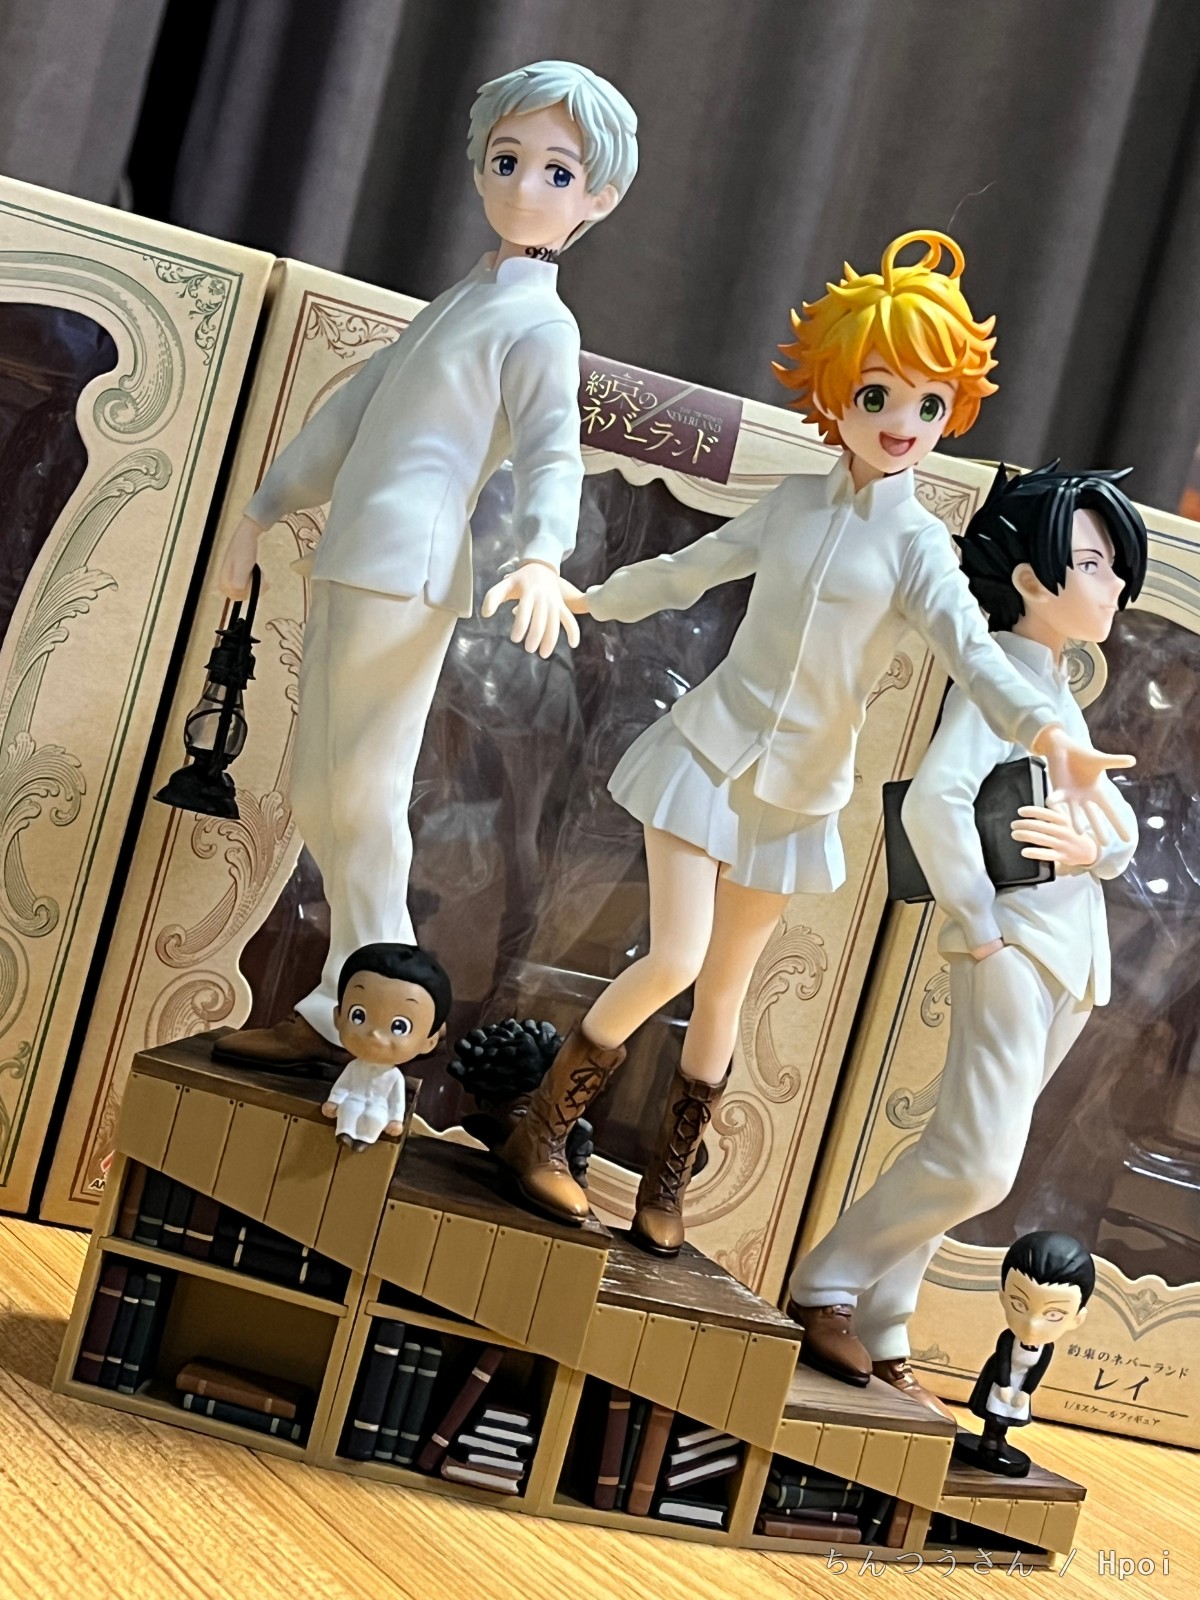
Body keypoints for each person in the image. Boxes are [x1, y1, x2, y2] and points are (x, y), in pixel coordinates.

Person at [494, 233, 1137, 1254]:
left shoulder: (921, 547)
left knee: (725, 989)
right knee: (675, 957)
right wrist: (588, 597)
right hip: (709, 753)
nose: (903, 423)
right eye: (879, 395)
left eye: (930, 405)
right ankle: (541, 1128)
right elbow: (691, 570)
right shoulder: (793, 504)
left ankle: (666, 1182)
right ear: (835, 394)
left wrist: (1050, 733)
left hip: (796, 791)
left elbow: (975, 657)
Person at [214, 61, 638, 1073]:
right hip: (357, 553)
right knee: (321, 795)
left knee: (363, 796)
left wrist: (542, 553)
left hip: (408, 569)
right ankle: (347, 1000)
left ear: (598, 198)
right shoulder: (466, 297)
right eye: (507, 159)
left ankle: (377, 1013)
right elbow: (355, 413)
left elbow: (553, 450)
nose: (526, 185)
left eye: (558, 172)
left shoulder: (541, 323)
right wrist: (265, 505)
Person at [787, 461, 1143, 1411]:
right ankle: (825, 1283)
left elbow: (1118, 827)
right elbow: (934, 806)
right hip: (1017, 948)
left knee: (970, 1151)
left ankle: (885, 1323)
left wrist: (1094, 848)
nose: (1113, 584)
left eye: (1114, 566)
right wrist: (981, 926)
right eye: (1093, 564)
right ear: (1029, 579)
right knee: (976, 1163)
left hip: (1069, 959)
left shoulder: (1054, 689)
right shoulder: (996, 685)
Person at [954, 1230, 1095, 1476]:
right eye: (1019, 1304)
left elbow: (1037, 1371)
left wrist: (1026, 1391)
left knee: (1009, 1413)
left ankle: (999, 1440)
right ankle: (990, 1438)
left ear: (1077, 1318)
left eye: (1053, 1315)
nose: (1032, 1324)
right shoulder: (1008, 1339)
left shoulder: (1046, 1348)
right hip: (1000, 1379)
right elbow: (1003, 1361)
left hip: (1020, 1385)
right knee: (994, 1409)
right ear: (1003, 1297)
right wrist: (1004, 1384)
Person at [323, 943, 451, 1149]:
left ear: (429, 1042)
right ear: (338, 1017)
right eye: (358, 1016)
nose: (374, 1034)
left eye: (399, 1027)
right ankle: (346, 1133)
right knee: (349, 1109)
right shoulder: (354, 1067)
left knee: (375, 1118)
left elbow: (397, 1101)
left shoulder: (394, 1077)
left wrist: (395, 1120)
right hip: (354, 1098)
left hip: (379, 1106)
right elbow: (343, 1085)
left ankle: (364, 1139)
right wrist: (335, 1100)